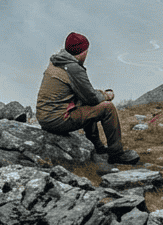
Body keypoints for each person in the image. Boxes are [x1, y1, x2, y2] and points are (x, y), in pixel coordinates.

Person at [36, 32, 140, 165]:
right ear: (81, 52)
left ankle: (98, 147)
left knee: (84, 104)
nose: (87, 54)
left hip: (45, 118)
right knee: (107, 108)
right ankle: (116, 154)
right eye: (86, 51)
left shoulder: (58, 62)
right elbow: (91, 98)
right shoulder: (73, 68)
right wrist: (107, 95)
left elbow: (85, 96)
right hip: (57, 119)